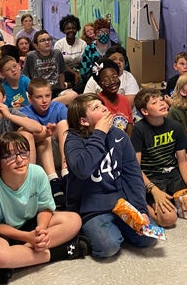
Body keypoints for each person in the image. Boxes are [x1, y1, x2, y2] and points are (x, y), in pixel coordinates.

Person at [0, 131, 87, 285]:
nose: (19, 160)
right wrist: (27, 238)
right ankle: (63, 252)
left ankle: (16, 260)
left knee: (74, 220)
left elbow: (45, 208)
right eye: (10, 156)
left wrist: (40, 231)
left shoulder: (37, 173)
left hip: (29, 223)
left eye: (23, 153)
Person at [64, 93, 154, 258]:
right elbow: (83, 169)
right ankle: (90, 233)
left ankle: (117, 228)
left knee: (147, 238)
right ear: (84, 121)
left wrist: (141, 209)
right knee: (109, 247)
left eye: (102, 104)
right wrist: (99, 134)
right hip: (92, 207)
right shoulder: (73, 140)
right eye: (96, 108)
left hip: (120, 202)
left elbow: (133, 176)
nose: (104, 108)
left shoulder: (119, 136)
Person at [131, 88, 187, 228]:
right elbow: (135, 167)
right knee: (169, 219)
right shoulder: (139, 130)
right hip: (152, 179)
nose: (161, 103)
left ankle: (171, 202)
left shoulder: (175, 127)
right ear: (145, 111)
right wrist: (153, 190)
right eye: (154, 102)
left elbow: (182, 161)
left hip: (173, 176)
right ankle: (142, 205)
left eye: (161, 99)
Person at [20, 78, 70, 207]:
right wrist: (46, 133)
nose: (44, 100)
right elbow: (28, 138)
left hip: (61, 153)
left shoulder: (58, 107)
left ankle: (66, 173)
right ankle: (53, 180)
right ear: (30, 98)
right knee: (44, 134)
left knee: (64, 123)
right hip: (39, 158)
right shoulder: (25, 112)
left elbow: (69, 132)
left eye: (47, 96)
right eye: (39, 97)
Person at [22, 30, 77, 103]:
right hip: (39, 91)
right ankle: (51, 104)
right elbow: (25, 76)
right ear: (36, 45)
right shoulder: (31, 56)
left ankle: (50, 104)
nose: (47, 42)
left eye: (49, 39)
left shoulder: (57, 53)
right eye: (42, 40)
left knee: (74, 95)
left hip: (55, 90)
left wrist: (62, 89)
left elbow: (61, 74)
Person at [92, 59, 133, 136]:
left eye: (115, 77)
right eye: (106, 80)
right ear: (99, 83)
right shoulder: (97, 102)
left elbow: (129, 124)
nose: (112, 82)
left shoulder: (124, 100)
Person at [54, 14, 86, 90]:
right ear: (64, 30)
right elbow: (59, 63)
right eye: (68, 29)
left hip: (80, 72)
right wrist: (74, 73)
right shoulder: (59, 44)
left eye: (73, 28)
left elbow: (85, 62)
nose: (71, 30)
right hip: (64, 73)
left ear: (77, 29)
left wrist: (78, 73)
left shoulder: (83, 44)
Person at [79, 18, 114, 84]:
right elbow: (84, 72)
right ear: (95, 34)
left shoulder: (115, 48)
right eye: (100, 32)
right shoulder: (89, 49)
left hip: (113, 83)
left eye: (106, 31)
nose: (103, 34)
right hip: (93, 83)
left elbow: (124, 70)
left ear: (109, 33)